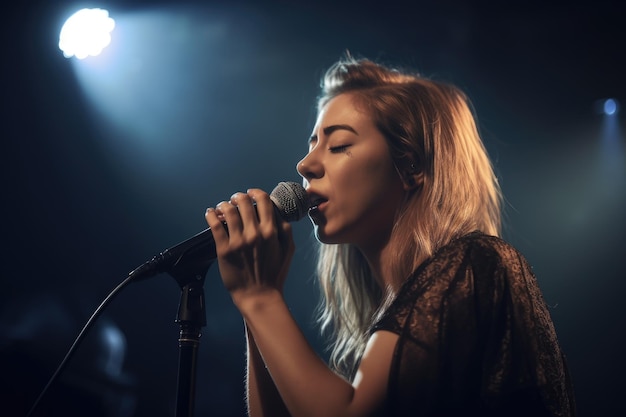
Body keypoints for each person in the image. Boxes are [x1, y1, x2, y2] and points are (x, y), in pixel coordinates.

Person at [204, 55, 576, 417]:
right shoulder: (400, 307)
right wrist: (254, 299)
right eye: (312, 143)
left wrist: (260, 299)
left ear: (411, 165)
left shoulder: (476, 263)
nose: (305, 165)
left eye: (339, 146)